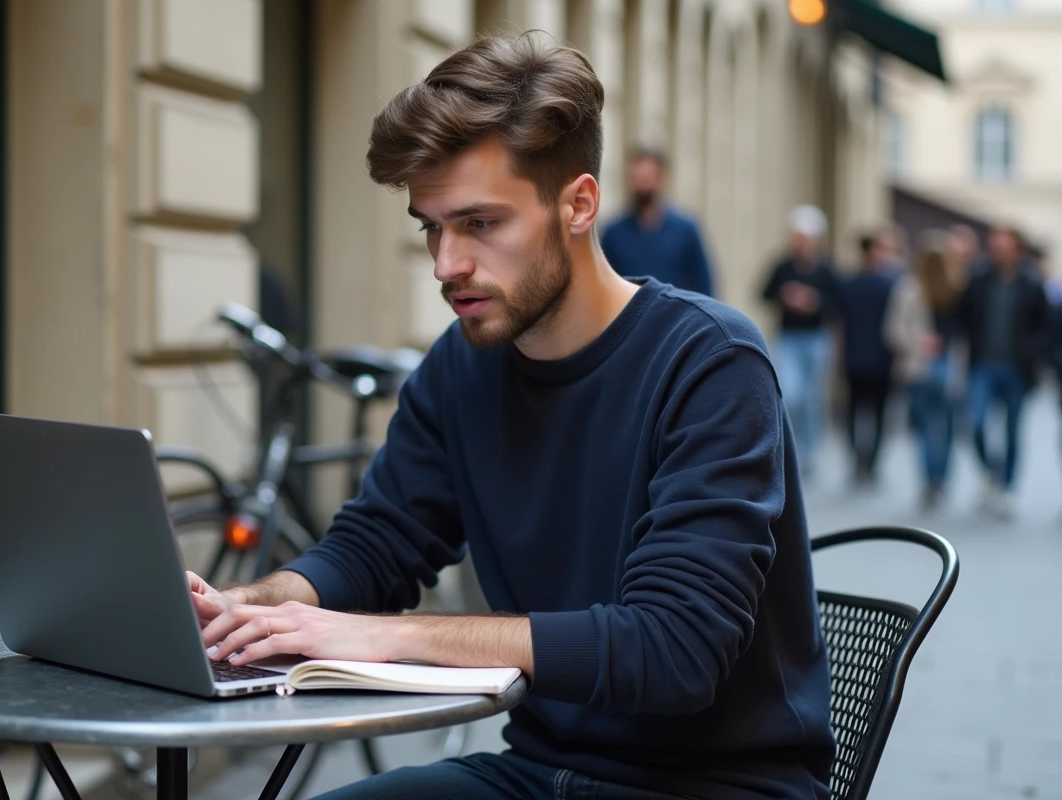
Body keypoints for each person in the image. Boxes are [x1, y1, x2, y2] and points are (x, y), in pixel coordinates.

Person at [188, 32, 833, 800]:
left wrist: (386, 636)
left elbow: (674, 651)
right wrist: (252, 610)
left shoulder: (711, 363)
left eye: (480, 224)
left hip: (717, 786)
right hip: (535, 773)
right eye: (431, 226)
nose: (445, 263)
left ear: (579, 205)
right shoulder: (461, 365)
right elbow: (377, 547)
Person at [956, 226, 1049, 519]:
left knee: (1011, 430)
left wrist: (1031, 353)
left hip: (1016, 369)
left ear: (1017, 250)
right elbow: (963, 317)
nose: (999, 251)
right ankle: (992, 471)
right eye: (995, 246)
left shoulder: (1031, 284)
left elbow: (1045, 327)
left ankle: (1007, 488)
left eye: (1005, 246)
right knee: (977, 423)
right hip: (983, 365)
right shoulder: (979, 280)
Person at [884, 231, 965, 509]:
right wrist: (922, 344)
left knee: (926, 428)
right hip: (928, 366)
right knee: (943, 427)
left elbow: (893, 330)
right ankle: (939, 479)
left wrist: (915, 344)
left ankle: (931, 481)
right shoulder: (920, 289)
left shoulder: (916, 288)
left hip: (930, 366)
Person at [759, 206, 840, 474]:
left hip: (817, 338)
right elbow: (763, 293)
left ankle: (808, 452)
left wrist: (813, 302)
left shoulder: (826, 269)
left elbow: (838, 303)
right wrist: (786, 296)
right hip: (789, 337)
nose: (800, 242)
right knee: (791, 394)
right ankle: (789, 447)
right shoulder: (782, 266)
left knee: (812, 398)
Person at [599, 146, 716, 295]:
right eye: (637, 179)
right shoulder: (613, 233)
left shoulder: (685, 230)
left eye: (647, 179)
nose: (642, 186)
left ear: (662, 179)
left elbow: (703, 283)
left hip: (676, 316)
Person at [838, 232, 897, 487]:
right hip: (868, 358)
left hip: (869, 359)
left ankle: (864, 461)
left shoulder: (852, 283)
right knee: (868, 413)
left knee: (862, 413)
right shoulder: (889, 284)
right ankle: (865, 462)